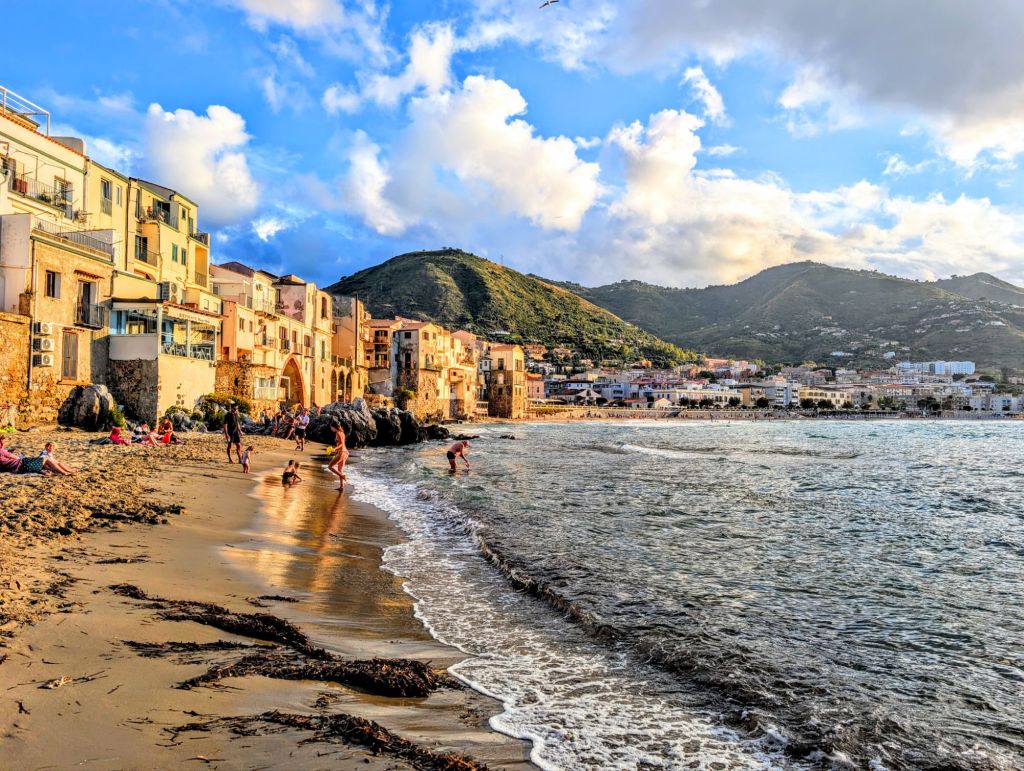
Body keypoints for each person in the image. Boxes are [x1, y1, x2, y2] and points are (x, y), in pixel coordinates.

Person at [0, 436, 69, 475]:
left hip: (19, 469)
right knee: (46, 458)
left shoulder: (2, 451)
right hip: (23, 465)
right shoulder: (1, 451)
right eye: (2, 443)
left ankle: (45, 471)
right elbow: (17, 458)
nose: (3, 444)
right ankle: (64, 472)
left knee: (42, 463)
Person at [326, 422, 348, 490]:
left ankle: (343, 476)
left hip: (342, 452)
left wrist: (334, 449)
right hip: (345, 452)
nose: (331, 429)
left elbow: (341, 444)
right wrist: (336, 451)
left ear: (334, 427)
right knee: (340, 469)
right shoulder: (342, 433)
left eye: (331, 427)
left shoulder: (338, 433)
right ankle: (341, 487)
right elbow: (341, 444)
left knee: (330, 466)